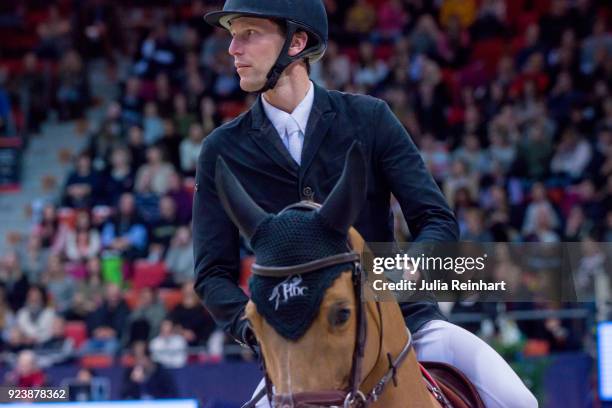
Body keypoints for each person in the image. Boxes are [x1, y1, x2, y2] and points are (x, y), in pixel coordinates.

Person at [194, 1, 537, 407]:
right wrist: (256, 328)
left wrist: (407, 272)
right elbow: (212, 273)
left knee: (518, 401)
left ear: (296, 41)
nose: (232, 48)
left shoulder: (369, 119)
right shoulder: (221, 150)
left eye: (248, 33)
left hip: (406, 325)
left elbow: (436, 220)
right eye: (232, 35)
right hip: (297, 350)